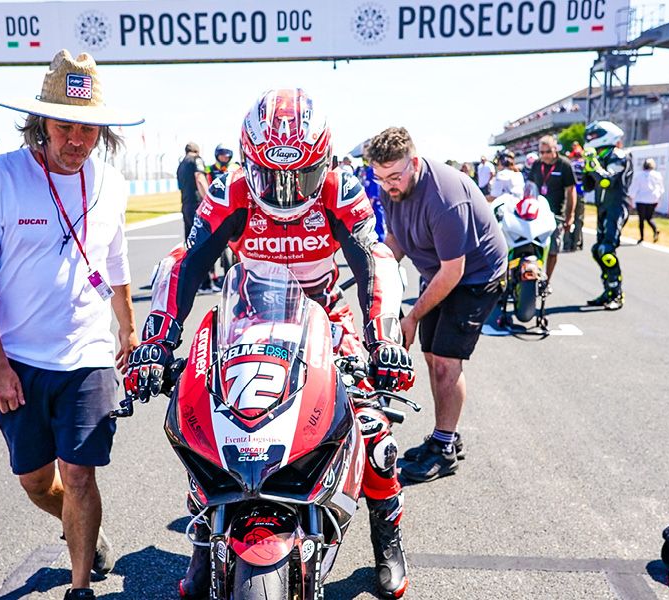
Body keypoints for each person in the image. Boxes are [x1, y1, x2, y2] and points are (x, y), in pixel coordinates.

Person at [124, 89, 416, 599]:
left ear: (322, 161)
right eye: (272, 176)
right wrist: (159, 340)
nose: (285, 192)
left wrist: (383, 340)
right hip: (246, 315)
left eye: (300, 175)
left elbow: (375, 260)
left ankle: (385, 539)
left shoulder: (341, 187)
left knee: (374, 428)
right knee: (207, 420)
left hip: (325, 313)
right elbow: (187, 261)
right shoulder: (228, 190)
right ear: (247, 162)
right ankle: (204, 543)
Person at [0, 49, 141, 600]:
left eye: (88, 129)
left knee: (80, 474)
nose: (76, 141)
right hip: (19, 360)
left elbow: (115, 261)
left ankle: (80, 585)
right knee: (38, 480)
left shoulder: (111, 182)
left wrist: (127, 330)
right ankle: (83, 529)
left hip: (86, 354)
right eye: (65, 127)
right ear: (41, 123)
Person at [365, 126, 507, 484]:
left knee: (445, 361)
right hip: (438, 272)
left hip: (475, 276)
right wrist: (377, 272)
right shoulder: (391, 188)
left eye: (395, 175)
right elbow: (394, 239)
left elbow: (453, 271)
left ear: (414, 162)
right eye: (380, 177)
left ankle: (443, 450)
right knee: (430, 355)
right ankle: (447, 434)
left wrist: (412, 316)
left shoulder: (445, 197)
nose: (388, 185)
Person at [581, 121, 633, 311]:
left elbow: (607, 181)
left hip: (616, 208)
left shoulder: (618, 156)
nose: (590, 139)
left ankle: (617, 294)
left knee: (606, 250)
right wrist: (587, 168)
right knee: (597, 250)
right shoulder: (599, 157)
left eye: (594, 135)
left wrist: (593, 165)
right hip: (602, 208)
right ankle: (608, 290)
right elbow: (588, 186)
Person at [526, 135, 577, 283]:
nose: (544, 155)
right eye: (541, 152)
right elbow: (529, 187)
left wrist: (570, 216)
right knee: (531, 245)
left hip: (555, 214)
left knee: (553, 249)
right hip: (535, 214)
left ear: (555, 149)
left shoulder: (564, 165)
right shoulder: (536, 164)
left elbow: (571, 192)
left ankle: (546, 281)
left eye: (547, 152)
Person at [176, 142, 216, 293]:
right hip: (197, 205)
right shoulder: (196, 160)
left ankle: (192, 282)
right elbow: (199, 178)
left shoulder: (181, 164)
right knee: (204, 242)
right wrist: (209, 199)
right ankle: (205, 283)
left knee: (191, 244)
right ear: (196, 150)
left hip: (186, 205)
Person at [628, 158, 663, 243]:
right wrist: (658, 199)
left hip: (641, 200)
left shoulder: (639, 175)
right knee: (649, 218)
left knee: (641, 219)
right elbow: (660, 189)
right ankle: (655, 229)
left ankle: (642, 237)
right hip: (652, 199)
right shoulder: (657, 175)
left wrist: (631, 199)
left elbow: (634, 188)